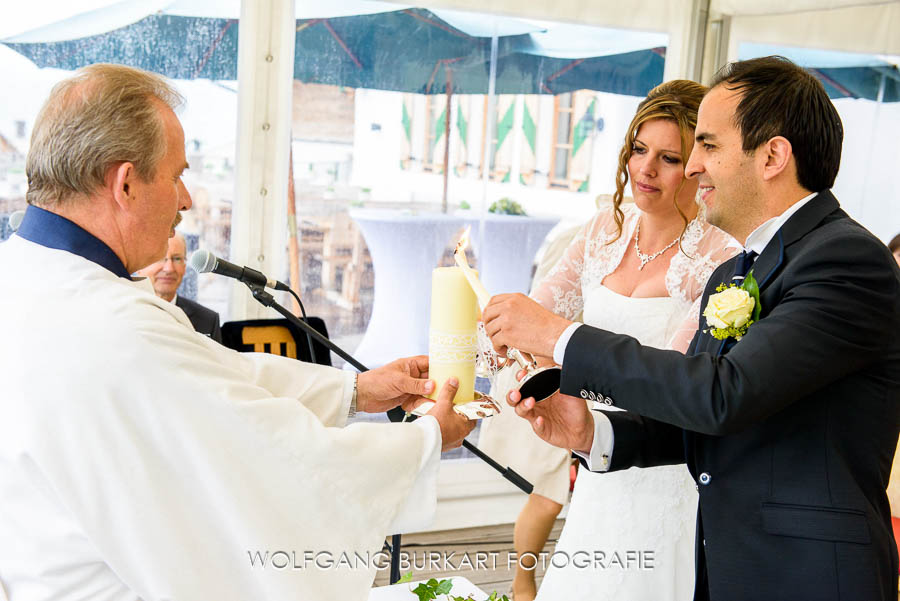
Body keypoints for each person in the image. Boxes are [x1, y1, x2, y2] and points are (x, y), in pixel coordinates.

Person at [0, 63, 475, 601]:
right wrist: (426, 439)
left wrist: (356, 391)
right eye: (177, 174)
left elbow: (218, 370)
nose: (187, 200)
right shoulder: (115, 329)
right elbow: (280, 458)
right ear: (125, 183)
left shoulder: (26, 277)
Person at [484, 56, 900, 601]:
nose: (695, 165)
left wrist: (559, 337)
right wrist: (593, 434)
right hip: (726, 567)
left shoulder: (846, 259)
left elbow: (725, 394)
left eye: (708, 145)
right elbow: (701, 421)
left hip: (806, 576)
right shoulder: (739, 270)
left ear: (773, 155)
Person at [480, 80, 739, 601]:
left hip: (664, 469)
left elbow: (671, 379)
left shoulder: (720, 257)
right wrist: (498, 334)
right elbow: (541, 311)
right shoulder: (604, 230)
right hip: (597, 465)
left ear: (697, 167)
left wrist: (550, 343)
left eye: (669, 158)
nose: (645, 169)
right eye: (639, 150)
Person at [137, 232, 223, 342]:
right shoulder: (122, 313)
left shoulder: (207, 320)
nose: (169, 269)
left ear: (184, 266)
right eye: (160, 258)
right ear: (139, 266)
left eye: (177, 259)